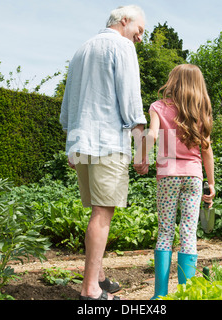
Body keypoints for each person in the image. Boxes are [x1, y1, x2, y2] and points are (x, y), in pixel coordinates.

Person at [59, 5, 147, 300]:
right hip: (108, 142)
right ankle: (90, 290)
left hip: (81, 143)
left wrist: (72, 145)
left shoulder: (82, 49)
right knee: (102, 213)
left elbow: (67, 106)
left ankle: (98, 276)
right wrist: (142, 151)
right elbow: (131, 102)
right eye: (140, 30)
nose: (140, 38)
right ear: (124, 22)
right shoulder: (121, 46)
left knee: (95, 211)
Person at [134, 64, 216, 300]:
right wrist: (211, 183)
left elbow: (151, 135)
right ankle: (185, 294)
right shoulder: (202, 111)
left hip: (168, 176)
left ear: (174, 82)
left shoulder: (158, 107)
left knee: (166, 232)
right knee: (189, 232)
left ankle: (160, 295)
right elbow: (207, 149)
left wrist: (142, 158)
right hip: (193, 176)